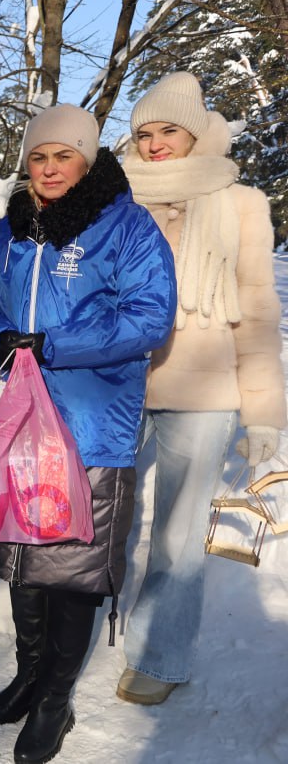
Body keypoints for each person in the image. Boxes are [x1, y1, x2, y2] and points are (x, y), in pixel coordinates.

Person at [0, 104, 176, 763]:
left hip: (90, 429)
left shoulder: (126, 227)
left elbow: (149, 317)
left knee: (72, 572)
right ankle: (30, 674)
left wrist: (54, 343)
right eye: (39, 157)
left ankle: (55, 699)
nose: (50, 168)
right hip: (17, 429)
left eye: (64, 156)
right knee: (23, 563)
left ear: (86, 161)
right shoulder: (9, 232)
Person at [118, 72, 286, 705]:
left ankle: (159, 655)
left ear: (194, 131)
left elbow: (258, 308)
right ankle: (70, 621)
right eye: (144, 133)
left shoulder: (239, 201)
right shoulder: (115, 198)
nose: (156, 144)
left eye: (168, 131)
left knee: (179, 534)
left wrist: (264, 412)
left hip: (204, 390)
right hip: (118, 379)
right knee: (95, 510)